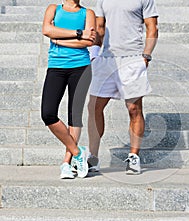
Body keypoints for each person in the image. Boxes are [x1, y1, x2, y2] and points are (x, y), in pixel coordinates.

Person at [87, 0, 159, 174]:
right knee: (94, 106)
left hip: (132, 58)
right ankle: (93, 157)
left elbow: (152, 27)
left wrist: (146, 55)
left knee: (134, 108)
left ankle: (134, 156)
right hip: (106, 59)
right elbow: (99, 28)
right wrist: (94, 55)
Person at [41, 0, 96, 179]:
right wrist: (78, 33)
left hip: (81, 67)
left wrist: (59, 39)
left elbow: (89, 42)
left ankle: (67, 162)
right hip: (56, 66)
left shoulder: (88, 13)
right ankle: (78, 152)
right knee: (47, 113)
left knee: (75, 115)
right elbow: (47, 30)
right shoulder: (53, 9)